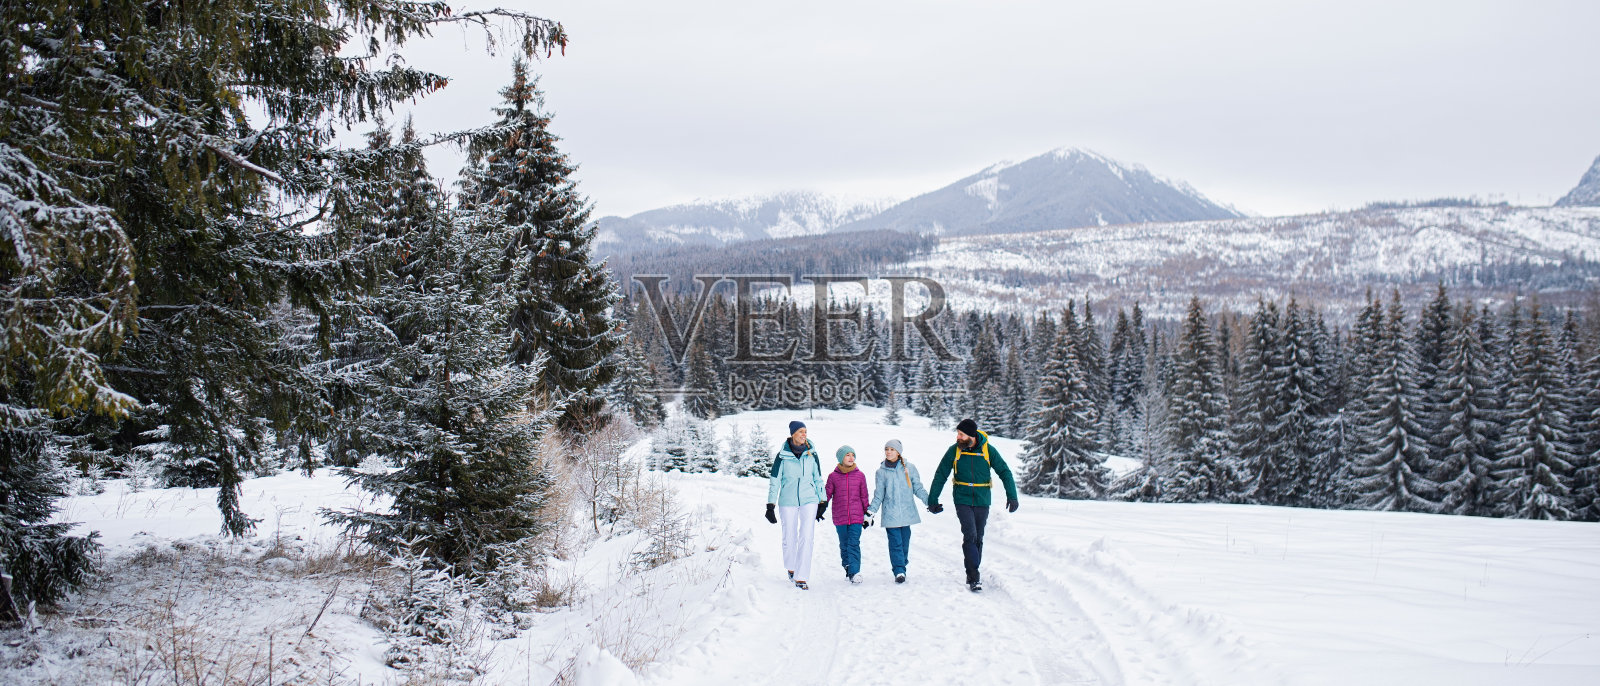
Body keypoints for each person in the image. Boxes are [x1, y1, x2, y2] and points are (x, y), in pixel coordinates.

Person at [925, 418, 1018, 592]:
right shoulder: (954, 451)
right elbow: (941, 474)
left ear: (971, 435)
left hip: (982, 499)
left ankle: (972, 571)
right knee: (970, 534)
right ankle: (974, 575)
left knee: (979, 537)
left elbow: (1004, 471)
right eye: (957, 434)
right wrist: (933, 500)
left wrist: (1012, 496)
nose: (958, 437)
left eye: (961, 434)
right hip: (962, 498)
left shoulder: (988, 451)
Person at [766, 420, 825, 590]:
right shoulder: (782, 456)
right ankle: (791, 566)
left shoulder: (812, 454)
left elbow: (818, 477)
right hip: (788, 500)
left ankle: (801, 577)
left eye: (805, 431)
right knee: (789, 536)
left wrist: (822, 500)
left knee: (807, 536)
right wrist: (770, 505)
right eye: (800, 431)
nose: (804, 435)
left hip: (809, 499)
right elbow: (775, 481)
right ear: (793, 434)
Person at [867, 439, 929, 584]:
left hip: (907, 513)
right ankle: (899, 570)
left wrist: (930, 502)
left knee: (905, 542)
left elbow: (918, 488)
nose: (888, 452)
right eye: (886, 449)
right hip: (891, 513)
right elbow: (879, 494)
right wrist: (871, 512)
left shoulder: (910, 468)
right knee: (895, 542)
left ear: (898, 452)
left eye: (892, 449)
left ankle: (901, 565)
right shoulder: (881, 472)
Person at [825, 445, 871, 584]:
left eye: (853, 455)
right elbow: (826, 495)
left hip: (856, 517)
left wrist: (867, 515)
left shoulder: (860, 475)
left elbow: (864, 496)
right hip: (840, 517)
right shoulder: (833, 477)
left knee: (854, 543)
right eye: (847, 455)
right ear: (841, 458)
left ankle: (855, 572)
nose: (851, 458)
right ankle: (847, 565)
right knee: (844, 544)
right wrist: (819, 508)